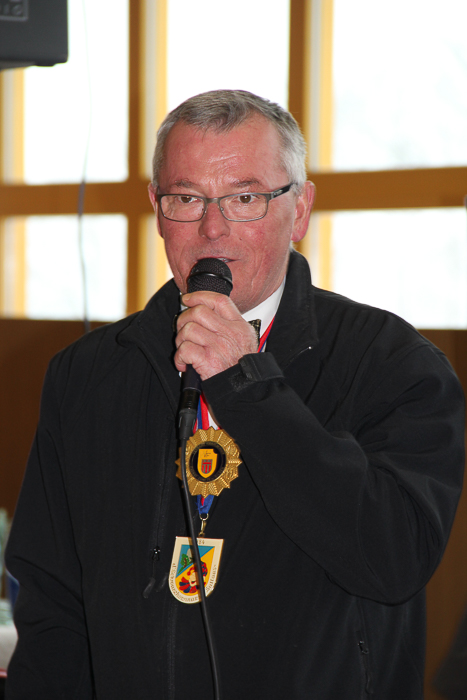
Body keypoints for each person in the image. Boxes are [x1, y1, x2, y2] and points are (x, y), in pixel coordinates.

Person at [5, 89, 465, 699]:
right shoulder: (86, 375)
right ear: (157, 208)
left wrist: (248, 386)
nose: (212, 227)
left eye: (245, 198)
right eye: (187, 198)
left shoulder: (393, 364)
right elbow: (52, 607)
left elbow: (393, 559)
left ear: (299, 210)